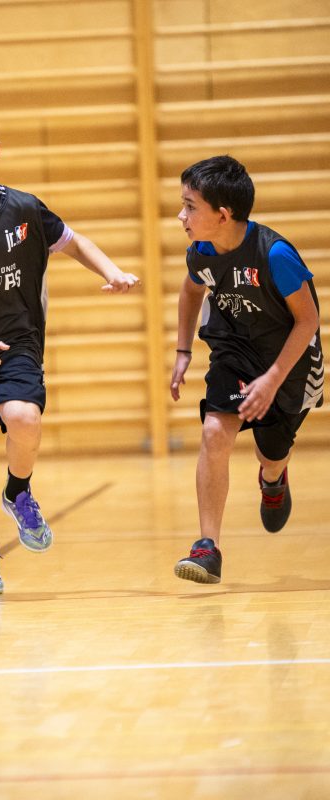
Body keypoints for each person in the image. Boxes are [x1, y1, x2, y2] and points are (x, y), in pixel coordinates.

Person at [0, 87, 140, 595]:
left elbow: (73, 241)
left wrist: (111, 270)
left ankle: (18, 491)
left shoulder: (23, 209)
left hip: (14, 341)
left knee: (24, 418)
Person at [170, 155, 323, 584]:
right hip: (234, 351)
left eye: (190, 207)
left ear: (223, 215)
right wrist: (182, 350)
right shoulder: (202, 252)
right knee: (214, 432)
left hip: (288, 362)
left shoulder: (275, 255)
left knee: (271, 454)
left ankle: (273, 479)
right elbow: (190, 291)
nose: (181, 216)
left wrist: (272, 379)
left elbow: (308, 321)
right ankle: (208, 547)